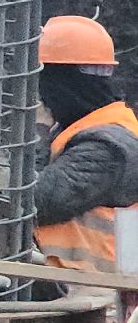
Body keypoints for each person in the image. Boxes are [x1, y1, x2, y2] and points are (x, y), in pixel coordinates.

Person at [33, 14, 138, 273]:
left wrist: (36, 131)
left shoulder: (109, 145)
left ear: (61, 81)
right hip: (71, 281)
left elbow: (34, 202)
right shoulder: (81, 126)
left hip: (98, 288)